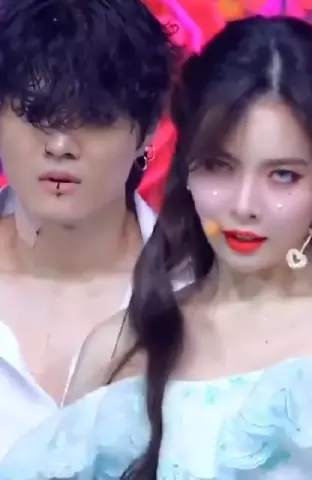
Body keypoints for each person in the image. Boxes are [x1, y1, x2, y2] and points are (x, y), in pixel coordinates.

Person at [1, 15, 312, 479]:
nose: (245, 205)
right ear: (187, 168)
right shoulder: (120, 347)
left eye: (283, 176)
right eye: (219, 167)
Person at [0, 0, 176, 459]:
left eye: (94, 117)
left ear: (148, 129)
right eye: (35, 113)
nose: (60, 145)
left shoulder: (199, 289)